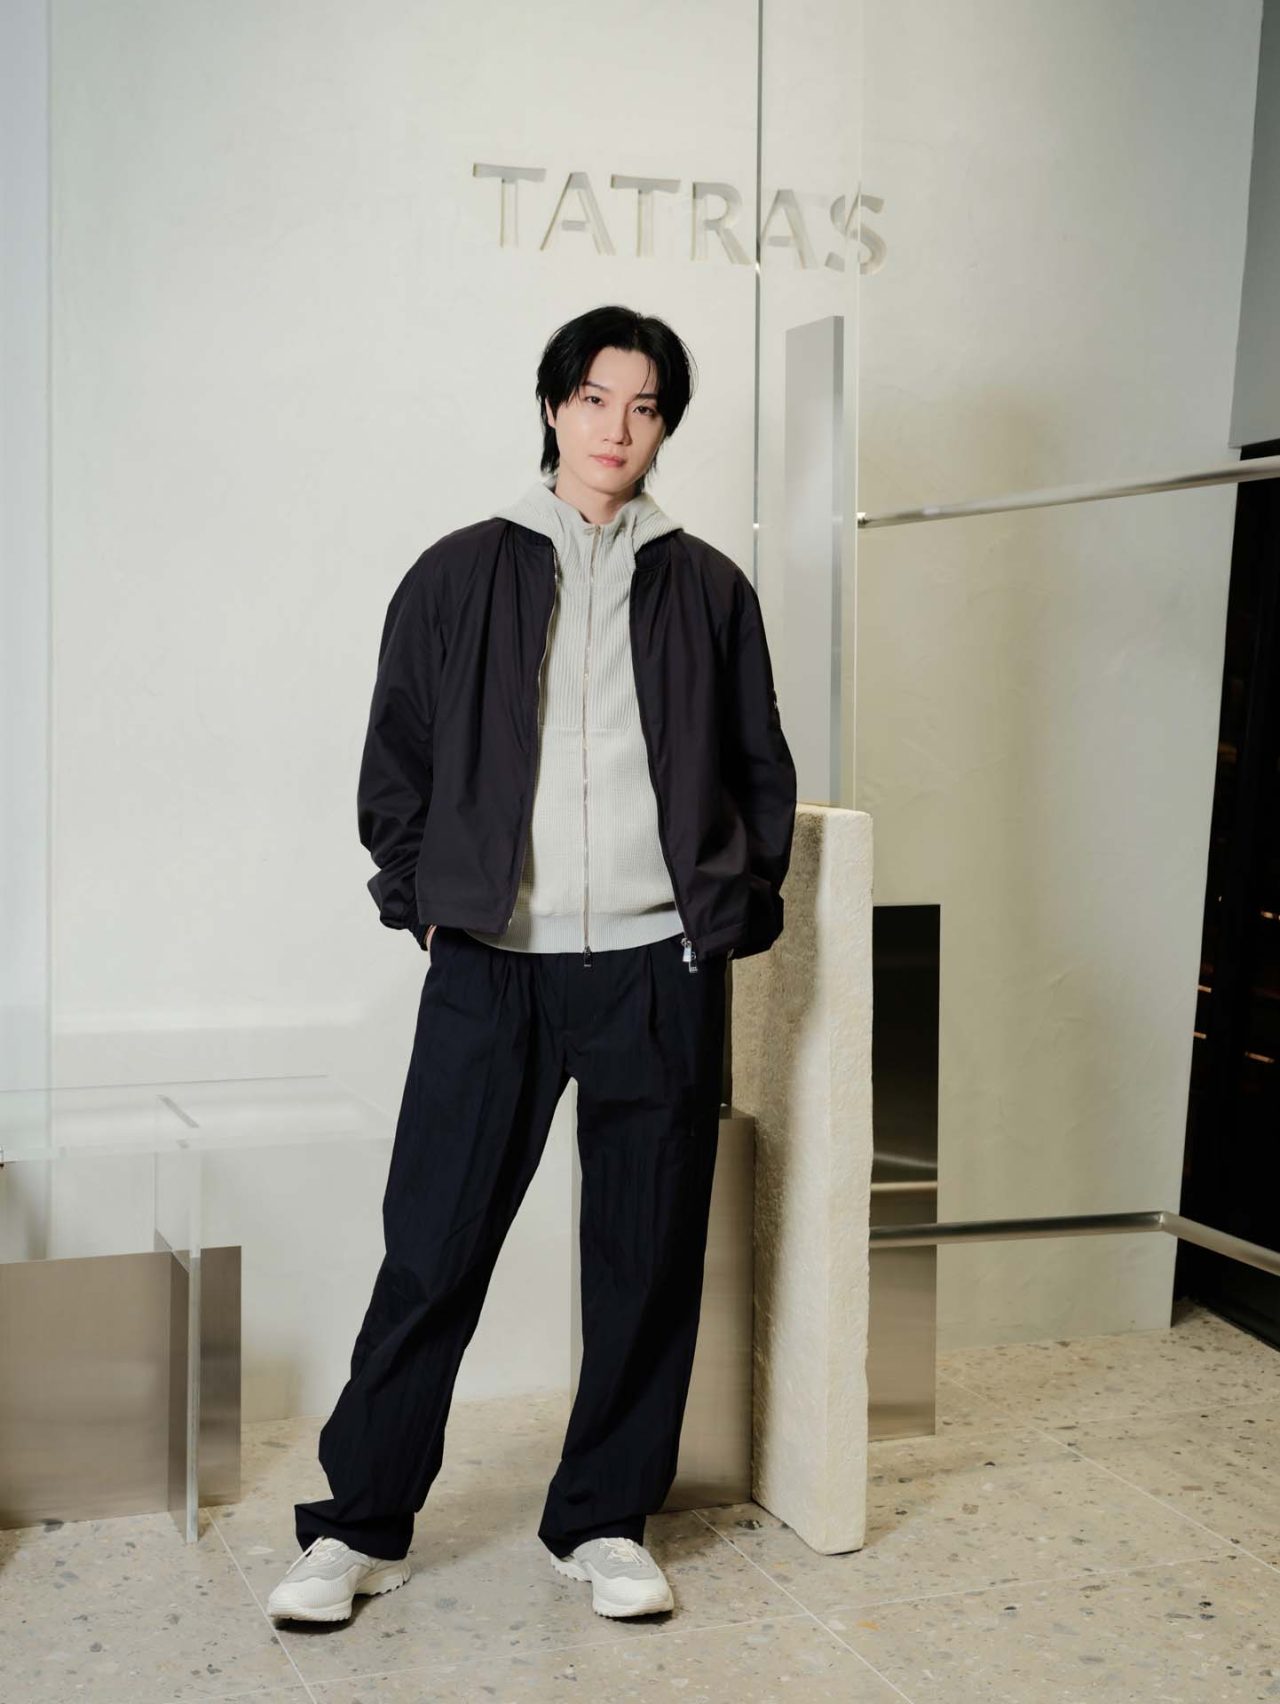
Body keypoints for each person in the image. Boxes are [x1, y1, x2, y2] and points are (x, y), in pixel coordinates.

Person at [268, 304, 797, 1626]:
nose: (619, 428)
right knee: (430, 1251)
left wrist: (726, 912)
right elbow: (396, 761)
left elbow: (758, 768)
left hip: (657, 967)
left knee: (646, 1261)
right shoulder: (459, 574)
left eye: (646, 407)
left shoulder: (710, 589)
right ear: (556, 406)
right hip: (493, 967)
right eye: (597, 399)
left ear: (664, 427)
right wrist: (424, 904)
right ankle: (358, 1527)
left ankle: (603, 1521)